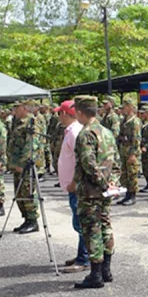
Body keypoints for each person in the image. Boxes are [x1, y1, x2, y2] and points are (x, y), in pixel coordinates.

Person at [71, 96, 120, 289]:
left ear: (80, 112)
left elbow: (89, 164)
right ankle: (106, 270)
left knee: (92, 230)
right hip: (105, 190)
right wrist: (112, 183)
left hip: (91, 191)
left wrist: (102, 184)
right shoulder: (106, 132)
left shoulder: (86, 134)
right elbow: (116, 161)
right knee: (106, 225)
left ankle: (96, 274)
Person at [56, 100, 90, 274]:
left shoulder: (75, 132)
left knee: (82, 223)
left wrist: (75, 183)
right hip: (73, 185)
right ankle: (81, 255)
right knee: (79, 222)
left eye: (59, 113)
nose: (58, 117)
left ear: (64, 114)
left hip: (76, 186)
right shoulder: (71, 131)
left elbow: (81, 161)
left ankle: (85, 259)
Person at [8, 100, 40, 234]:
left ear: (25, 108)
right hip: (16, 165)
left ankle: (33, 221)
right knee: (19, 193)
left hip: (25, 166)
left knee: (28, 192)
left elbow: (31, 145)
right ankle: (26, 219)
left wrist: (22, 164)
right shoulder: (17, 122)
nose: (14, 110)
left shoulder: (31, 122)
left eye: (17, 107)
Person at [116, 98, 141, 206]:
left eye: (125, 106)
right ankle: (127, 194)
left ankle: (132, 195)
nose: (123, 109)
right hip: (123, 150)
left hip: (131, 152)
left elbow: (136, 138)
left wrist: (133, 153)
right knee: (124, 174)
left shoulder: (134, 121)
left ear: (130, 107)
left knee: (132, 173)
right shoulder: (124, 120)